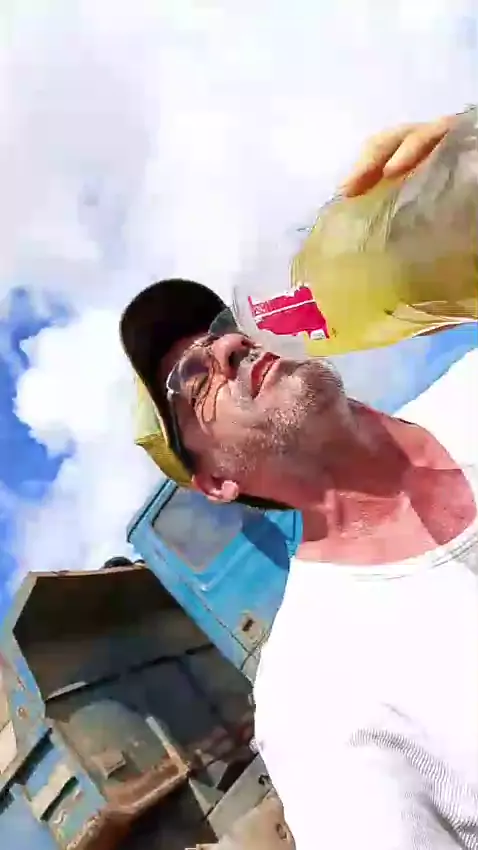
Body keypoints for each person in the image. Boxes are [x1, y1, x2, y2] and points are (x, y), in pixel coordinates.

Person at [120, 113, 478, 850]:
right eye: (191, 381)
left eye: (222, 327)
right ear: (215, 482)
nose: (227, 346)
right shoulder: (316, 692)